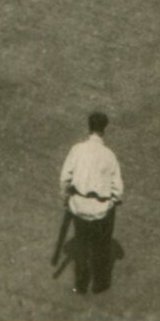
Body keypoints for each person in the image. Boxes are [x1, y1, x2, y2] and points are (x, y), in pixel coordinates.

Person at [58, 112, 123, 295]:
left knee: (81, 244)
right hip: (100, 211)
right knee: (101, 247)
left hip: (79, 207)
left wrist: (66, 199)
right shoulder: (109, 155)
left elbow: (64, 178)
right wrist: (110, 202)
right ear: (104, 130)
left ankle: (81, 284)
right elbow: (118, 190)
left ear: (89, 127)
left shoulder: (77, 150)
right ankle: (100, 284)